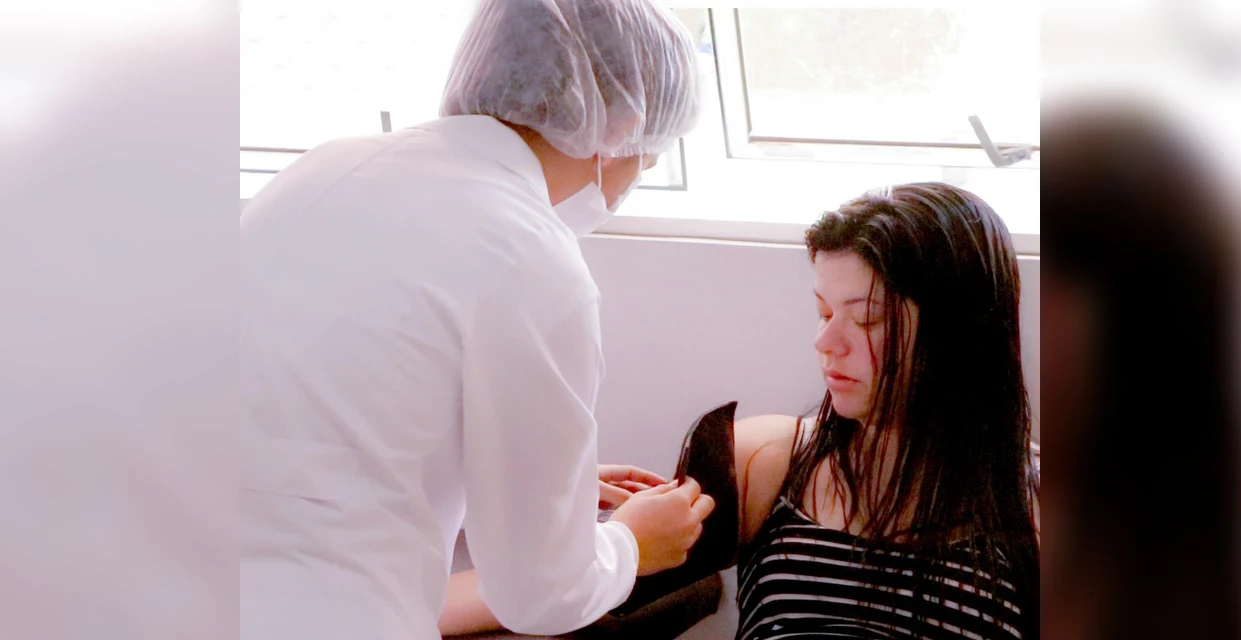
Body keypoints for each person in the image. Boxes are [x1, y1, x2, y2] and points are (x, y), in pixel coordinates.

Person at [238, 1, 714, 639]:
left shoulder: (321, 170)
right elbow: (541, 594)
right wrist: (632, 543)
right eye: (645, 161)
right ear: (624, 125)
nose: (629, 184)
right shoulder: (532, 256)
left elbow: (329, 429)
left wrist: (531, 483)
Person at [439, 182, 1040, 639]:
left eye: (867, 320)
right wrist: (397, 611)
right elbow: (554, 587)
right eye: (822, 312)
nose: (825, 342)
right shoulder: (767, 463)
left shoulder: (1042, 511)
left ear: (959, 335)